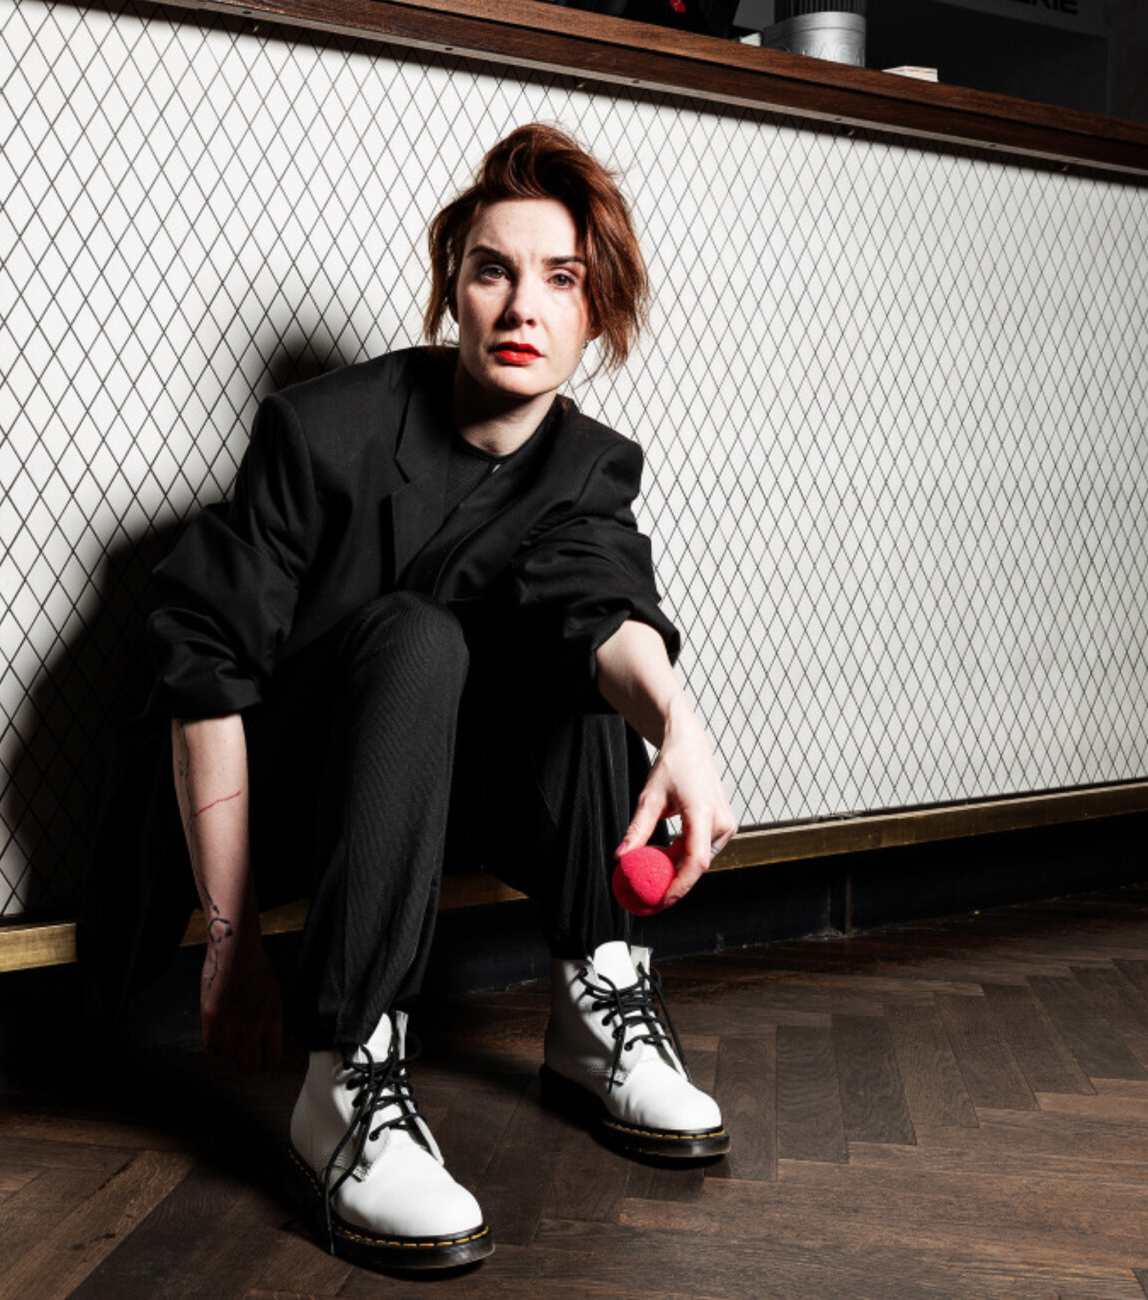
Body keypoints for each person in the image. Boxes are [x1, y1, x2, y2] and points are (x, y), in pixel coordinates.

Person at [81, 122, 737, 1271]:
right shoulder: (322, 429)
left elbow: (606, 605)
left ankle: (598, 1001)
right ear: (452, 288)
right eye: (492, 270)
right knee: (419, 635)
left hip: (430, 810)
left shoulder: (586, 467)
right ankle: (345, 1076)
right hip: (281, 811)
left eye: (561, 279)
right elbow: (205, 670)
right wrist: (232, 941)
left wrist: (681, 728)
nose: (521, 306)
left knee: (589, 658)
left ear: (598, 311)